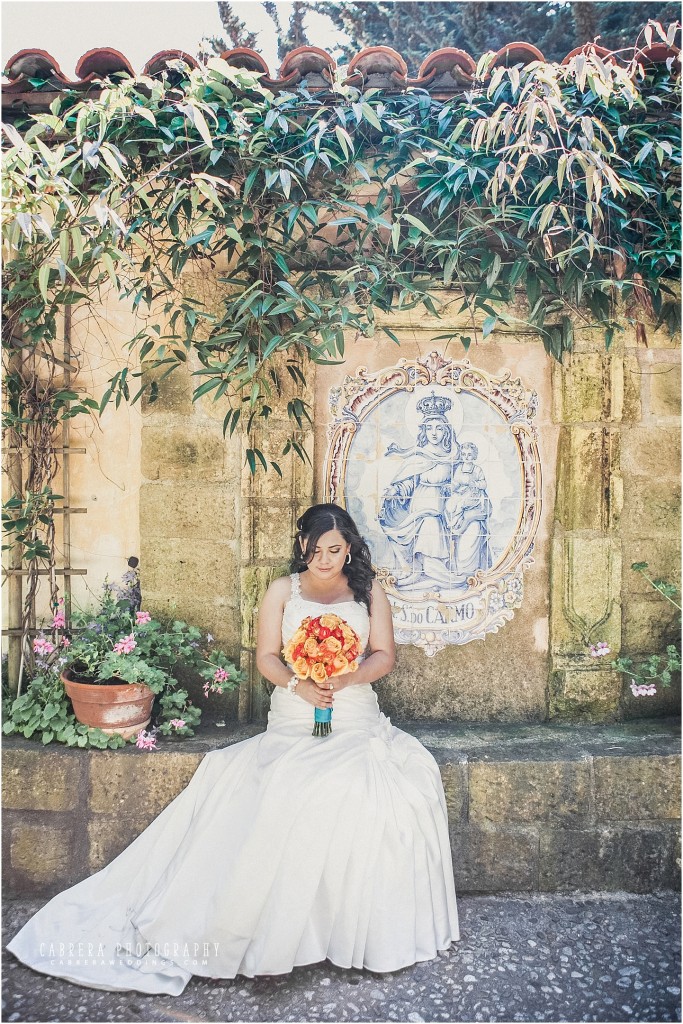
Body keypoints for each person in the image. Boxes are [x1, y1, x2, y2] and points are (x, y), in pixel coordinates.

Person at [6, 503, 460, 995]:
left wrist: (345, 677)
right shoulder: (283, 591)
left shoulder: (369, 592)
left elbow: (384, 656)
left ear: (349, 548)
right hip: (293, 715)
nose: (325, 560)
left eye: (335, 550)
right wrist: (299, 685)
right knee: (290, 785)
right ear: (302, 545)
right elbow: (267, 657)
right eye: (316, 549)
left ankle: (351, 931)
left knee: (371, 786)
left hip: (355, 716)